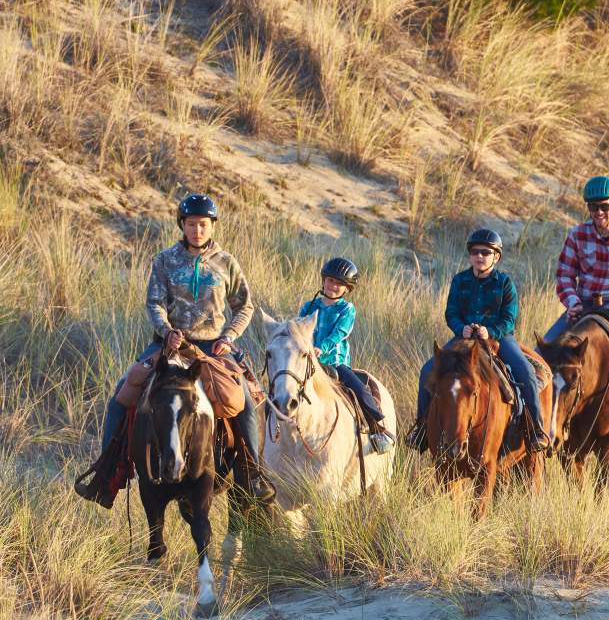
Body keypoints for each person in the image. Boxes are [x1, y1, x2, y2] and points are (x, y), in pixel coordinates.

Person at [100, 193, 274, 501]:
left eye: (203, 224)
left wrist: (229, 337)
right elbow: (154, 302)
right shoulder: (165, 260)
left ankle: (253, 475)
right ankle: (108, 471)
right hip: (170, 347)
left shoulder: (226, 263)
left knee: (245, 401)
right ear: (182, 225)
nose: (197, 230)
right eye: (191, 224)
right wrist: (166, 332)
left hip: (213, 349)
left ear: (212, 226)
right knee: (122, 393)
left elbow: (244, 307)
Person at [407, 228, 548, 453]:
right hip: (463, 338)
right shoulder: (460, 280)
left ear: (496, 256)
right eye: (475, 252)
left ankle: (535, 430)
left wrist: (489, 331)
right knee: (427, 371)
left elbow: (510, 319)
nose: (479, 256)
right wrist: (459, 327)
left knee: (525, 372)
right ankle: (422, 429)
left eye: (485, 252)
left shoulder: (505, 283)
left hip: (500, 338)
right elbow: (451, 312)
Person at [299, 257, 393, 454]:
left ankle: (377, 427)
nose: (333, 286)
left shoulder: (347, 309)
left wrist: (320, 348)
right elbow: (300, 328)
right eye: (331, 280)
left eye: (339, 284)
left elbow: (340, 333)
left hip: (334, 362)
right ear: (323, 280)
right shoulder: (309, 306)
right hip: (308, 360)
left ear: (347, 289)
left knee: (359, 388)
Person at [541, 176, 609, 343]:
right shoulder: (577, 234)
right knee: (544, 348)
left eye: (605, 206)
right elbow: (565, 276)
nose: (599, 212)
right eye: (593, 207)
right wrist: (573, 303)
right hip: (584, 306)